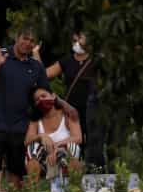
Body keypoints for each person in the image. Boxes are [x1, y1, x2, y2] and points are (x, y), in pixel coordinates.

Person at [0, 27, 80, 192]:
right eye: (25, 38)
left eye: (32, 41)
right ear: (17, 38)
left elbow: (46, 93)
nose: (28, 43)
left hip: (21, 127)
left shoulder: (36, 66)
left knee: (17, 173)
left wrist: (65, 105)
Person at [40, 30, 103, 170]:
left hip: (93, 108)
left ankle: (95, 170)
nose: (77, 43)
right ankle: (75, 170)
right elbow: (44, 74)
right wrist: (36, 56)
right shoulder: (67, 60)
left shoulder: (96, 60)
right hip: (71, 110)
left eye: (80, 39)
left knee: (94, 139)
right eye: (74, 41)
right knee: (75, 140)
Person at [25, 86, 83, 180]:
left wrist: (56, 145)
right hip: (44, 161)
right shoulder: (36, 119)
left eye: (43, 96)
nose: (41, 100)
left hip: (64, 158)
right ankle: (33, 185)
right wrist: (41, 136)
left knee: (72, 146)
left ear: (53, 96)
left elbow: (78, 138)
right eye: (37, 99)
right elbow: (27, 140)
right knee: (32, 146)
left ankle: (74, 182)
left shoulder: (67, 114)